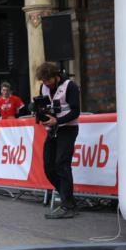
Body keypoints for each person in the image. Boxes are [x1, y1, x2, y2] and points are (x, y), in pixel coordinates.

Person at [34, 61, 82, 219]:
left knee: (62, 164)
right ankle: (68, 200)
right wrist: (40, 113)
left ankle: (67, 204)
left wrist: (58, 121)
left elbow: (75, 112)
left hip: (67, 129)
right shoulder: (44, 87)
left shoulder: (70, 86)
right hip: (53, 130)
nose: (45, 83)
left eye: (48, 80)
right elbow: (45, 108)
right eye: (43, 81)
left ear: (56, 76)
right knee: (49, 167)